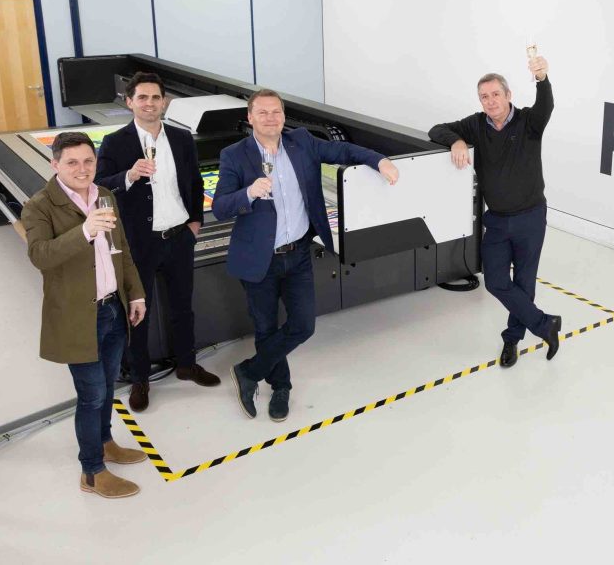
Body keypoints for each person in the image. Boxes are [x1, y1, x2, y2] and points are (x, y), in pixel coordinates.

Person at [213, 89, 400, 422]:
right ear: (250, 117)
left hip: (298, 253)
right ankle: (281, 387)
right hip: (259, 259)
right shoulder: (234, 155)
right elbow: (220, 207)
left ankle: (248, 371)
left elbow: (343, 150)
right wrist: (249, 192)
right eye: (262, 112)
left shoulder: (301, 141)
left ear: (284, 116)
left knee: (303, 325)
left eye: (276, 112)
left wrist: (379, 160)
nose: (270, 118)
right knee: (266, 327)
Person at [22, 132, 148, 498]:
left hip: (112, 308)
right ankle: (92, 471)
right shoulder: (39, 206)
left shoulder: (104, 195)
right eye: (72, 162)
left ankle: (105, 442)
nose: (82, 169)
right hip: (79, 317)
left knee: (107, 387)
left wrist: (135, 293)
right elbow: (40, 256)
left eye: (88, 161)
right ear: (55, 164)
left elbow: (121, 249)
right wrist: (84, 231)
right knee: (92, 395)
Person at [96, 72, 220, 412]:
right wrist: (129, 175)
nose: (149, 103)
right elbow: (100, 187)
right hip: (140, 244)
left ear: (164, 102)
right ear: (129, 102)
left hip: (179, 237)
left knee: (183, 306)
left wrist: (195, 222)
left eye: (155, 97)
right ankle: (140, 378)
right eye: (142, 97)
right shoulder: (115, 143)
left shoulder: (181, 138)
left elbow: (195, 182)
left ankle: (186, 364)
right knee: (139, 312)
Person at [428, 53, 561, 368]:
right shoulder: (476, 125)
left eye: (495, 94)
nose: (490, 101)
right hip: (498, 222)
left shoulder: (529, 121)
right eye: (484, 96)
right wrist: (457, 141)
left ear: (508, 95)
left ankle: (512, 339)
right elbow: (436, 129)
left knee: (524, 283)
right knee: (495, 281)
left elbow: (547, 105)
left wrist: (542, 79)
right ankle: (545, 325)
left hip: (530, 218)